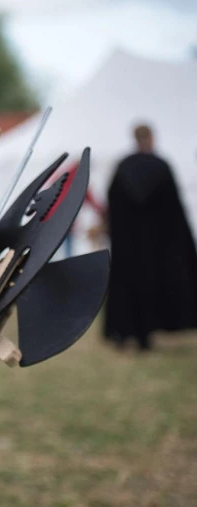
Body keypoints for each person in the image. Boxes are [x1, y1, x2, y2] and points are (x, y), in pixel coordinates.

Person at [104, 124, 197, 350]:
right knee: (152, 287)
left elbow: (112, 202)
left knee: (127, 288)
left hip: (127, 247)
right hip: (157, 247)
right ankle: (147, 336)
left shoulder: (124, 167)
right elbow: (174, 210)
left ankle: (123, 333)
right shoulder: (161, 166)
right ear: (151, 138)